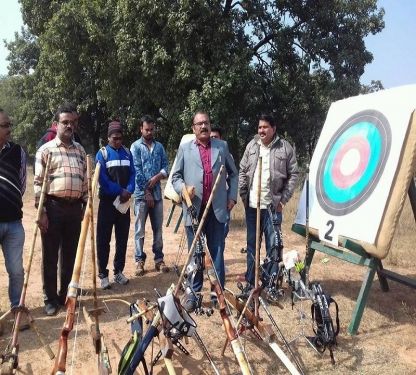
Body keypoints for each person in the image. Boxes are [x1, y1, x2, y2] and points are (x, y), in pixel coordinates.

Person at [171, 111, 238, 312]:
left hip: (216, 209)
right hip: (194, 210)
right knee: (195, 253)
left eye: (206, 123)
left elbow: (233, 174)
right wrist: (183, 190)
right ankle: (193, 294)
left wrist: (232, 197)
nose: (203, 127)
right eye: (199, 124)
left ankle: (218, 294)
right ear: (193, 128)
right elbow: (175, 177)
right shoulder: (185, 149)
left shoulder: (222, 147)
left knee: (217, 251)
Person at [34, 103, 88, 316]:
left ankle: (65, 294)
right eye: (65, 122)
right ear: (56, 124)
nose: (69, 126)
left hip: (75, 209)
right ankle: (50, 299)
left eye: (73, 122)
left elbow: (85, 181)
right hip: (53, 208)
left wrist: (86, 205)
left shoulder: (80, 150)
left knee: (70, 255)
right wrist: (42, 212)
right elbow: (38, 183)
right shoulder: (46, 150)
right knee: (50, 256)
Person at [239, 114, 299, 287]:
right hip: (252, 206)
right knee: (252, 245)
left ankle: (271, 283)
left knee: (273, 247)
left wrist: (283, 200)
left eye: (265, 127)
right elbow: (243, 170)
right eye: (259, 127)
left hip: (273, 207)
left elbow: (293, 174)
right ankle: (251, 281)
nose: (261, 130)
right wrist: (244, 195)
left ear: (274, 129)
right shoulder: (252, 145)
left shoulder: (285, 148)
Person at [95, 121, 135, 289]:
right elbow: (102, 179)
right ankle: (103, 274)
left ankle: (118, 271)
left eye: (120, 138)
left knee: (122, 239)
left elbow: (133, 174)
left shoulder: (127, 153)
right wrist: (120, 191)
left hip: (124, 204)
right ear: (108, 138)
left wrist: (129, 190)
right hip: (107, 203)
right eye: (114, 138)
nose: (117, 141)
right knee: (103, 239)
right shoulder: (102, 154)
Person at [130, 115, 169, 276]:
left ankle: (159, 259)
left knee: (158, 229)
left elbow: (166, 166)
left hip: (158, 195)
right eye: (147, 129)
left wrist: (158, 177)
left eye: (152, 129)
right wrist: (147, 192)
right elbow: (136, 171)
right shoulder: (135, 147)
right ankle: (139, 261)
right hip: (141, 196)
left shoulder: (159, 147)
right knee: (139, 230)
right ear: (141, 129)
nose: (149, 132)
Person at [0, 109, 26, 310]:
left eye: (9, 125)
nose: (9, 129)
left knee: (16, 270)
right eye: (4, 125)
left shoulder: (17, 151)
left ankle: (17, 308)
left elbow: (22, 183)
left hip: (14, 223)